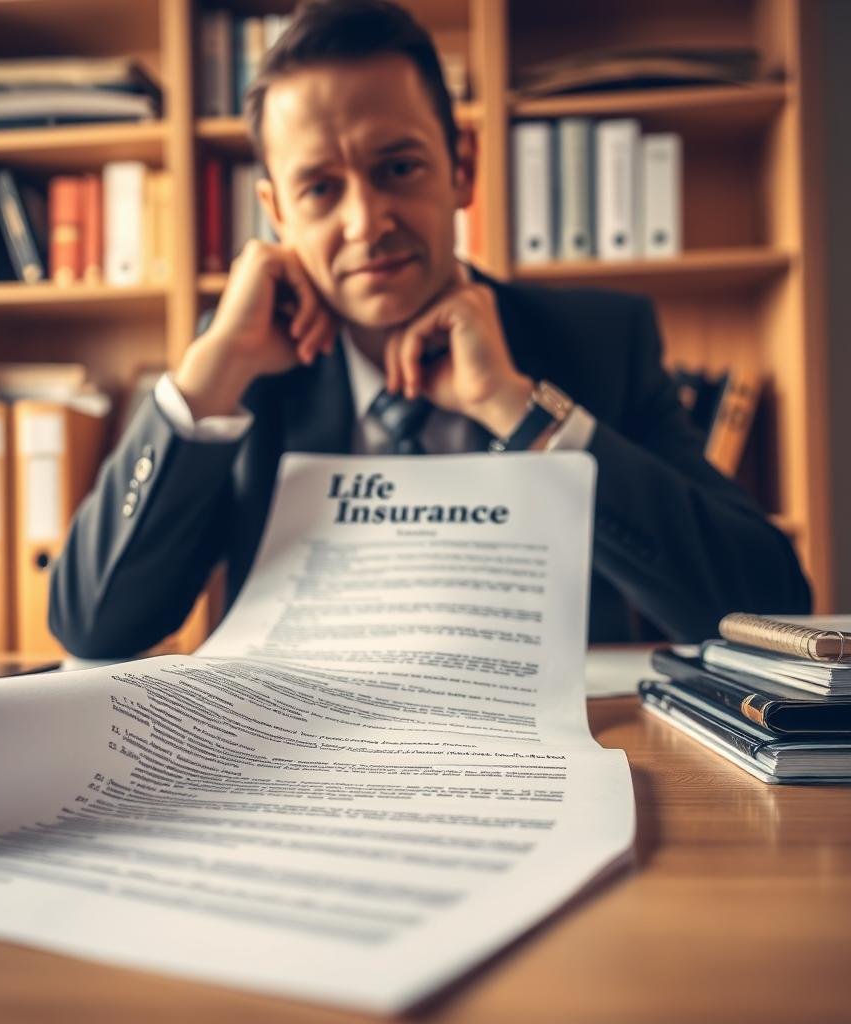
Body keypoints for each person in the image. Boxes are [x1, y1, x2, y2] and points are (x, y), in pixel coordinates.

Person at [48, 0, 810, 659]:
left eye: (398, 168)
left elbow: (770, 610)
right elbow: (93, 628)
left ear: (462, 166)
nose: (366, 222)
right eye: (319, 188)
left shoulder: (599, 343)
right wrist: (209, 375)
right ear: (277, 212)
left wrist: (521, 410)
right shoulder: (249, 373)